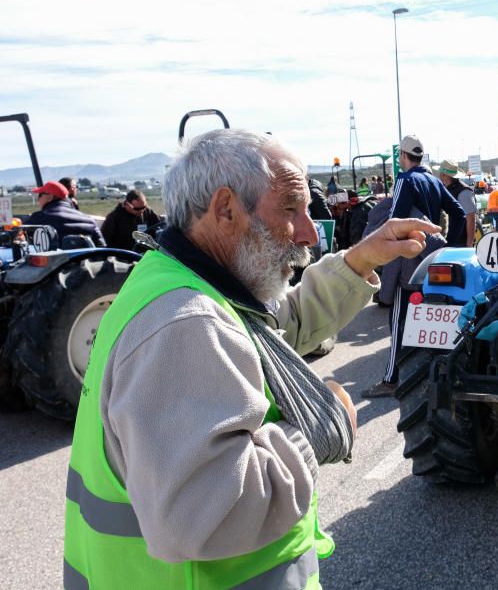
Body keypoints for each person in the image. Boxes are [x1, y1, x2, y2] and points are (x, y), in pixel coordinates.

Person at [63, 129, 440, 589]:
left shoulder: (182, 282)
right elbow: (206, 513)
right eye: (290, 209)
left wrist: (361, 259)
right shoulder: (185, 323)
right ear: (225, 210)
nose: (308, 232)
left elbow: (273, 330)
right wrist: (318, 427)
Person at [362, 135, 465, 398]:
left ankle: (390, 380)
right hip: (433, 260)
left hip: (409, 260)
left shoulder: (405, 180)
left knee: (399, 319)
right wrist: (447, 247)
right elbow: (458, 213)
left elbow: (394, 222)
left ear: (403, 157)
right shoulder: (433, 180)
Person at [26, 180, 106, 247]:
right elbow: (102, 248)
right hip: (84, 264)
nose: (38, 199)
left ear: (50, 197)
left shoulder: (37, 219)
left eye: (40, 195)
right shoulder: (89, 220)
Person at [436, 159, 476, 247]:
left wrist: (469, 244)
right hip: (451, 241)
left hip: (460, 244)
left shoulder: (463, 192)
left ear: (444, 175)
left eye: (440, 173)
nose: (439, 176)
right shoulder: (446, 189)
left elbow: (471, 219)